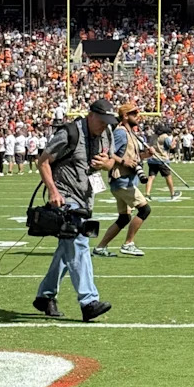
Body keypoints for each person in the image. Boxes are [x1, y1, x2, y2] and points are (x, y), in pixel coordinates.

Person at [32, 98, 118, 322]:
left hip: (87, 197)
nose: (104, 126)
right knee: (79, 240)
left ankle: (45, 295)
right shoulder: (69, 133)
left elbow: (111, 161)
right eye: (101, 121)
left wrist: (105, 164)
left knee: (66, 247)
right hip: (65, 196)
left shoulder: (106, 133)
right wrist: (53, 192)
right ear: (90, 116)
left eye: (108, 122)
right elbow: (43, 161)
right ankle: (88, 301)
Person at [94, 102, 155, 258]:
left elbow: (130, 157)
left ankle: (100, 247)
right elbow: (108, 154)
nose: (138, 116)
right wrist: (123, 162)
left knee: (124, 218)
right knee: (145, 209)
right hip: (122, 180)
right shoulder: (121, 133)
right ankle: (128, 243)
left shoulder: (130, 133)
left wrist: (144, 156)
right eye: (134, 114)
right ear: (125, 116)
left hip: (125, 180)